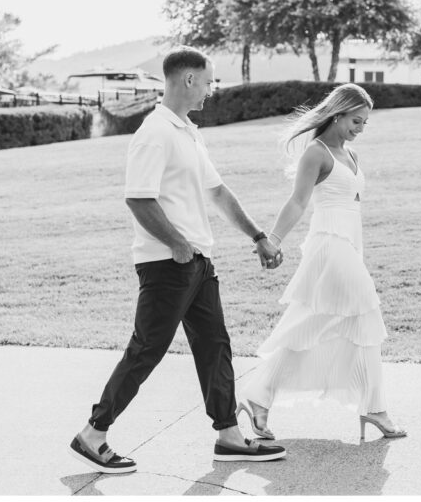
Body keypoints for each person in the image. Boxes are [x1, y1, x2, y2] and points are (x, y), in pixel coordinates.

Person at [68, 46, 287, 474]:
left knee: (215, 346)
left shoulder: (187, 130)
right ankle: (93, 435)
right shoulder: (155, 133)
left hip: (199, 262)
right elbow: (137, 198)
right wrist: (178, 243)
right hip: (168, 263)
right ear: (188, 80)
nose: (211, 88)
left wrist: (257, 235)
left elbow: (218, 193)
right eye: (208, 80)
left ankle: (227, 434)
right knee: (147, 349)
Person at [237, 83, 406, 441]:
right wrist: (273, 240)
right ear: (338, 113)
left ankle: (259, 397)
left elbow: (353, 205)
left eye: (365, 123)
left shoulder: (351, 154)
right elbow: (298, 201)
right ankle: (373, 408)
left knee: (319, 325)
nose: (360, 128)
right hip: (329, 244)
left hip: (349, 245)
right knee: (362, 314)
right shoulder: (316, 153)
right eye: (356, 121)